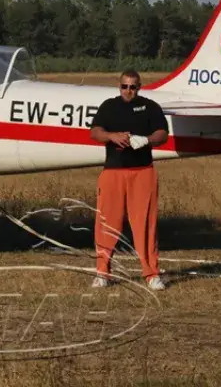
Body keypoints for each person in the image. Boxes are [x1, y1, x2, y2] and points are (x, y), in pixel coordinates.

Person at [89, 69, 169, 291]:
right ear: (119, 86)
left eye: (133, 87)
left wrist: (146, 140)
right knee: (106, 222)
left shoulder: (151, 107)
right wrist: (111, 136)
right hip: (113, 172)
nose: (128, 91)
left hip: (143, 172)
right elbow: (95, 132)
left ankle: (151, 274)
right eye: (125, 86)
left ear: (139, 87)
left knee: (145, 224)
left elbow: (163, 134)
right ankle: (102, 272)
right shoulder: (109, 106)